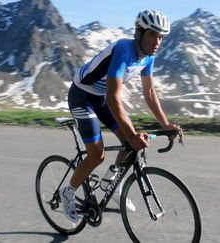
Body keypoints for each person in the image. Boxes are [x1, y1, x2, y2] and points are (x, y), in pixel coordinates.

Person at [60, 9, 182, 222]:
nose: (157, 41)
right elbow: (114, 97)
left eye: (161, 36)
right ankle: (67, 192)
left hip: (100, 98)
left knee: (130, 144)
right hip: (82, 96)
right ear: (139, 33)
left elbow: (150, 93)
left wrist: (165, 124)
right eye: (152, 34)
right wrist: (133, 133)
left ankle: (112, 185)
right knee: (97, 154)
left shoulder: (148, 57)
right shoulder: (124, 50)